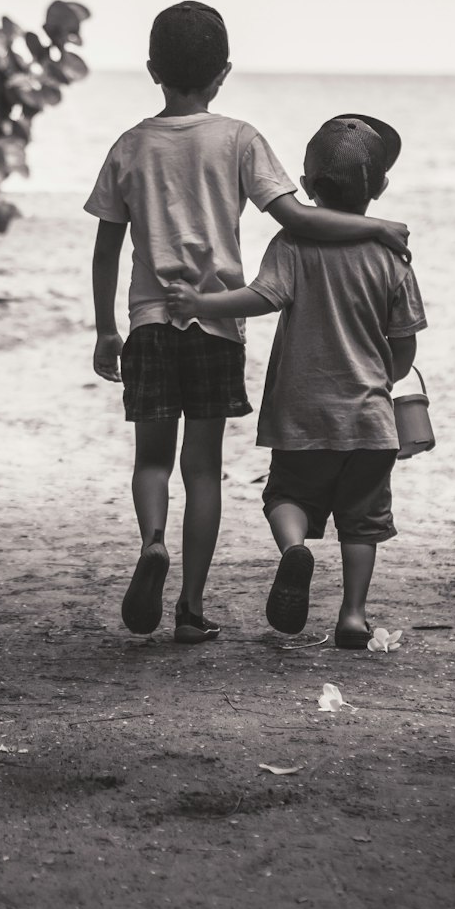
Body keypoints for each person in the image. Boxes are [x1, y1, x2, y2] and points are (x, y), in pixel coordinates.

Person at [86, 3, 410, 644]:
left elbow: (105, 250)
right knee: (203, 468)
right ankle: (191, 608)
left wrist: (106, 329)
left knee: (152, 461)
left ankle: (153, 542)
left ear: (152, 69)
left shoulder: (128, 145)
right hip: (213, 331)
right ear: (224, 72)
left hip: (151, 324)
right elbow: (300, 220)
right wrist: (376, 225)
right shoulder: (239, 139)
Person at [163, 114, 425, 648]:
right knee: (362, 522)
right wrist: (389, 376)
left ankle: (294, 551)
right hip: (369, 420)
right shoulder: (390, 256)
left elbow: (262, 297)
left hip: (300, 413)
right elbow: (404, 343)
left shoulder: (293, 242)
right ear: (380, 189)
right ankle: (352, 616)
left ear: (305, 188)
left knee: (285, 496)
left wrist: (202, 302)